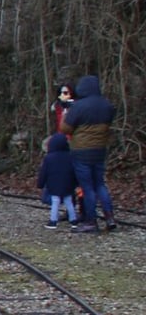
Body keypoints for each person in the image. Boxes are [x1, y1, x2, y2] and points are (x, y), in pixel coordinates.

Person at [64, 74, 118, 232]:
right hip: (100, 150)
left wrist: (66, 115)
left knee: (87, 187)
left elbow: (65, 129)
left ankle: (91, 221)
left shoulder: (78, 106)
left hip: (81, 151)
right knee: (100, 184)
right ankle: (109, 217)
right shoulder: (107, 105)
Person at [37, 133, 80, 230]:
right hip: (68, 185)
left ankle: (53, 221)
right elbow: (75, 171)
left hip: (54, 185)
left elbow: (44, 172)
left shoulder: (49, 158)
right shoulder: (71, 157)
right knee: (69, 202)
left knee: (55, 202)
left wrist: (40, 184)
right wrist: (76, 183)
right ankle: (73, 221)